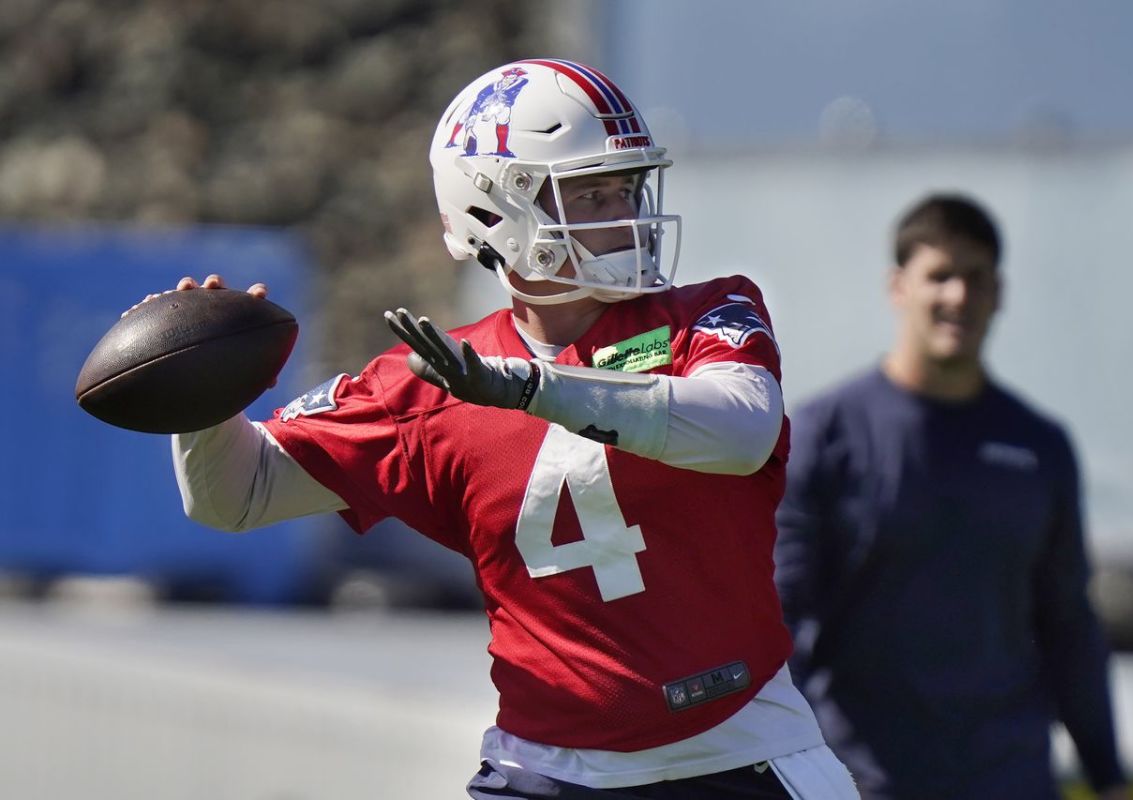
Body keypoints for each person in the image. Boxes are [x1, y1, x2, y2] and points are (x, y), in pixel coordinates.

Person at [159, 59, 858, 799]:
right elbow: (237, 494)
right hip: (543, 772)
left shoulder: (706, 313)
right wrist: (202, 396)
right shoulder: (432, 380)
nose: (625, 213)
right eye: (591, 193)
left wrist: (534, 388)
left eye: (627, 187)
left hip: (737, 752)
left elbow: (742, 431)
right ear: (496, 212)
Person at [773, 193, 1131, 800]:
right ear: (898, 286)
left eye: (976, 277)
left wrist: (1109, 777)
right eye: (939, 275)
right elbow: (778, 620)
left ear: (1000, 292)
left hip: (1009, 779)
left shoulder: (1040, 447)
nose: (958, 296)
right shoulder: (825, 434)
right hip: (865, 781)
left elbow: (1070, 624)